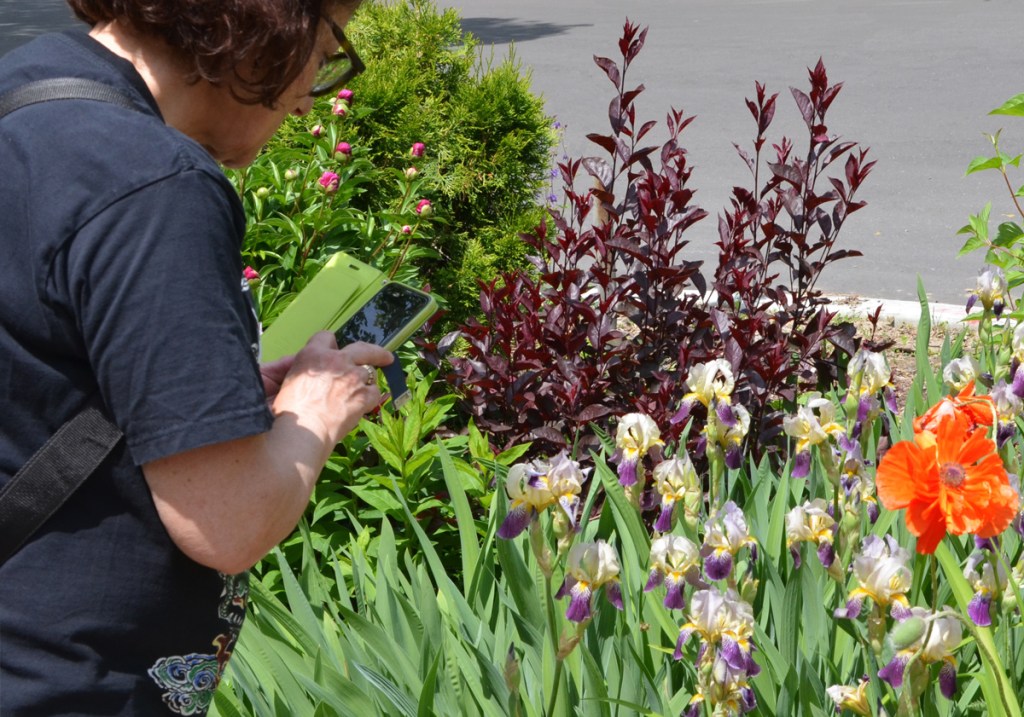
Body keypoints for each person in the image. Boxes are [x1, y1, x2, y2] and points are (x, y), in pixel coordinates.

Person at [0, 0, 393, 713]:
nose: (311, 98)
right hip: (66, 682)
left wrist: (219, 400)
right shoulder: (156, 186)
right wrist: (313, 412)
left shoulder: (25, 92)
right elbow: (225, 521)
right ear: (268, 22)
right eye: (330, 44)